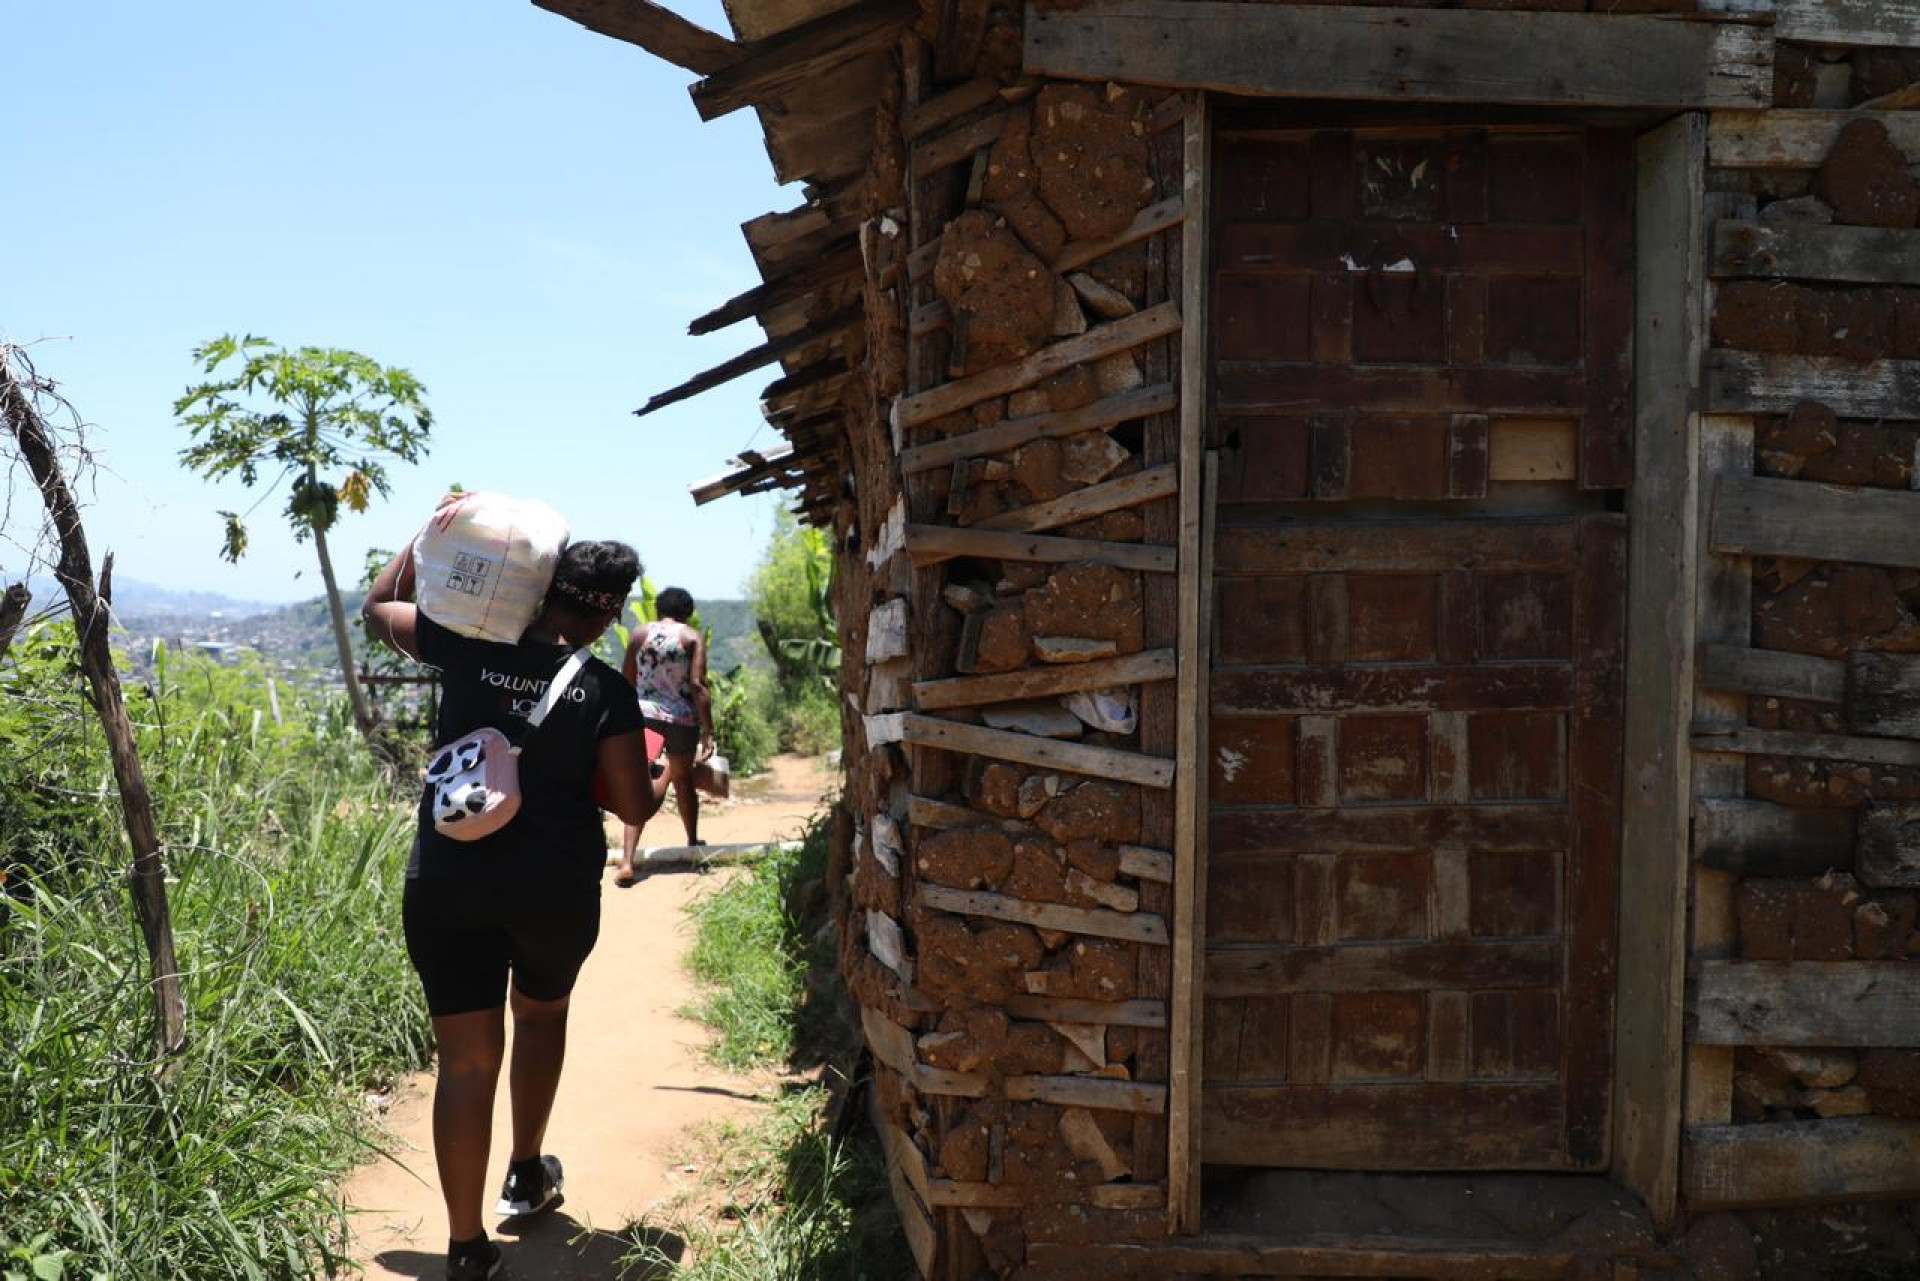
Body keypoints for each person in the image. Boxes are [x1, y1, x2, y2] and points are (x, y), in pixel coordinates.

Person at [363, 536, 662, 1281]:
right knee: (539, 1014)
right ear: (610, 611)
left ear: (540, 587)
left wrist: (430, 532)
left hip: (445, 881)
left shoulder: (464, 647)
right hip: (551, 892)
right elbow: (632, 803)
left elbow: (376, 610)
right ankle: (526, 1173)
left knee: (463, 1061)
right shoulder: (603, 690)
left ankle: (466, 1249)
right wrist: (651, 772)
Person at [613, 587, 712, 883]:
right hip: (682, 719)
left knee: (638, 782)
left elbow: (626, 677)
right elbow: (698, 685)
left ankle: (628, 862)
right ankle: (693, 844)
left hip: (645, 717)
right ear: (688, 612)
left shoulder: (640, 634)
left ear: (658, 609)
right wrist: (709, 731)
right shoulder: (691, 637)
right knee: (684, 781)